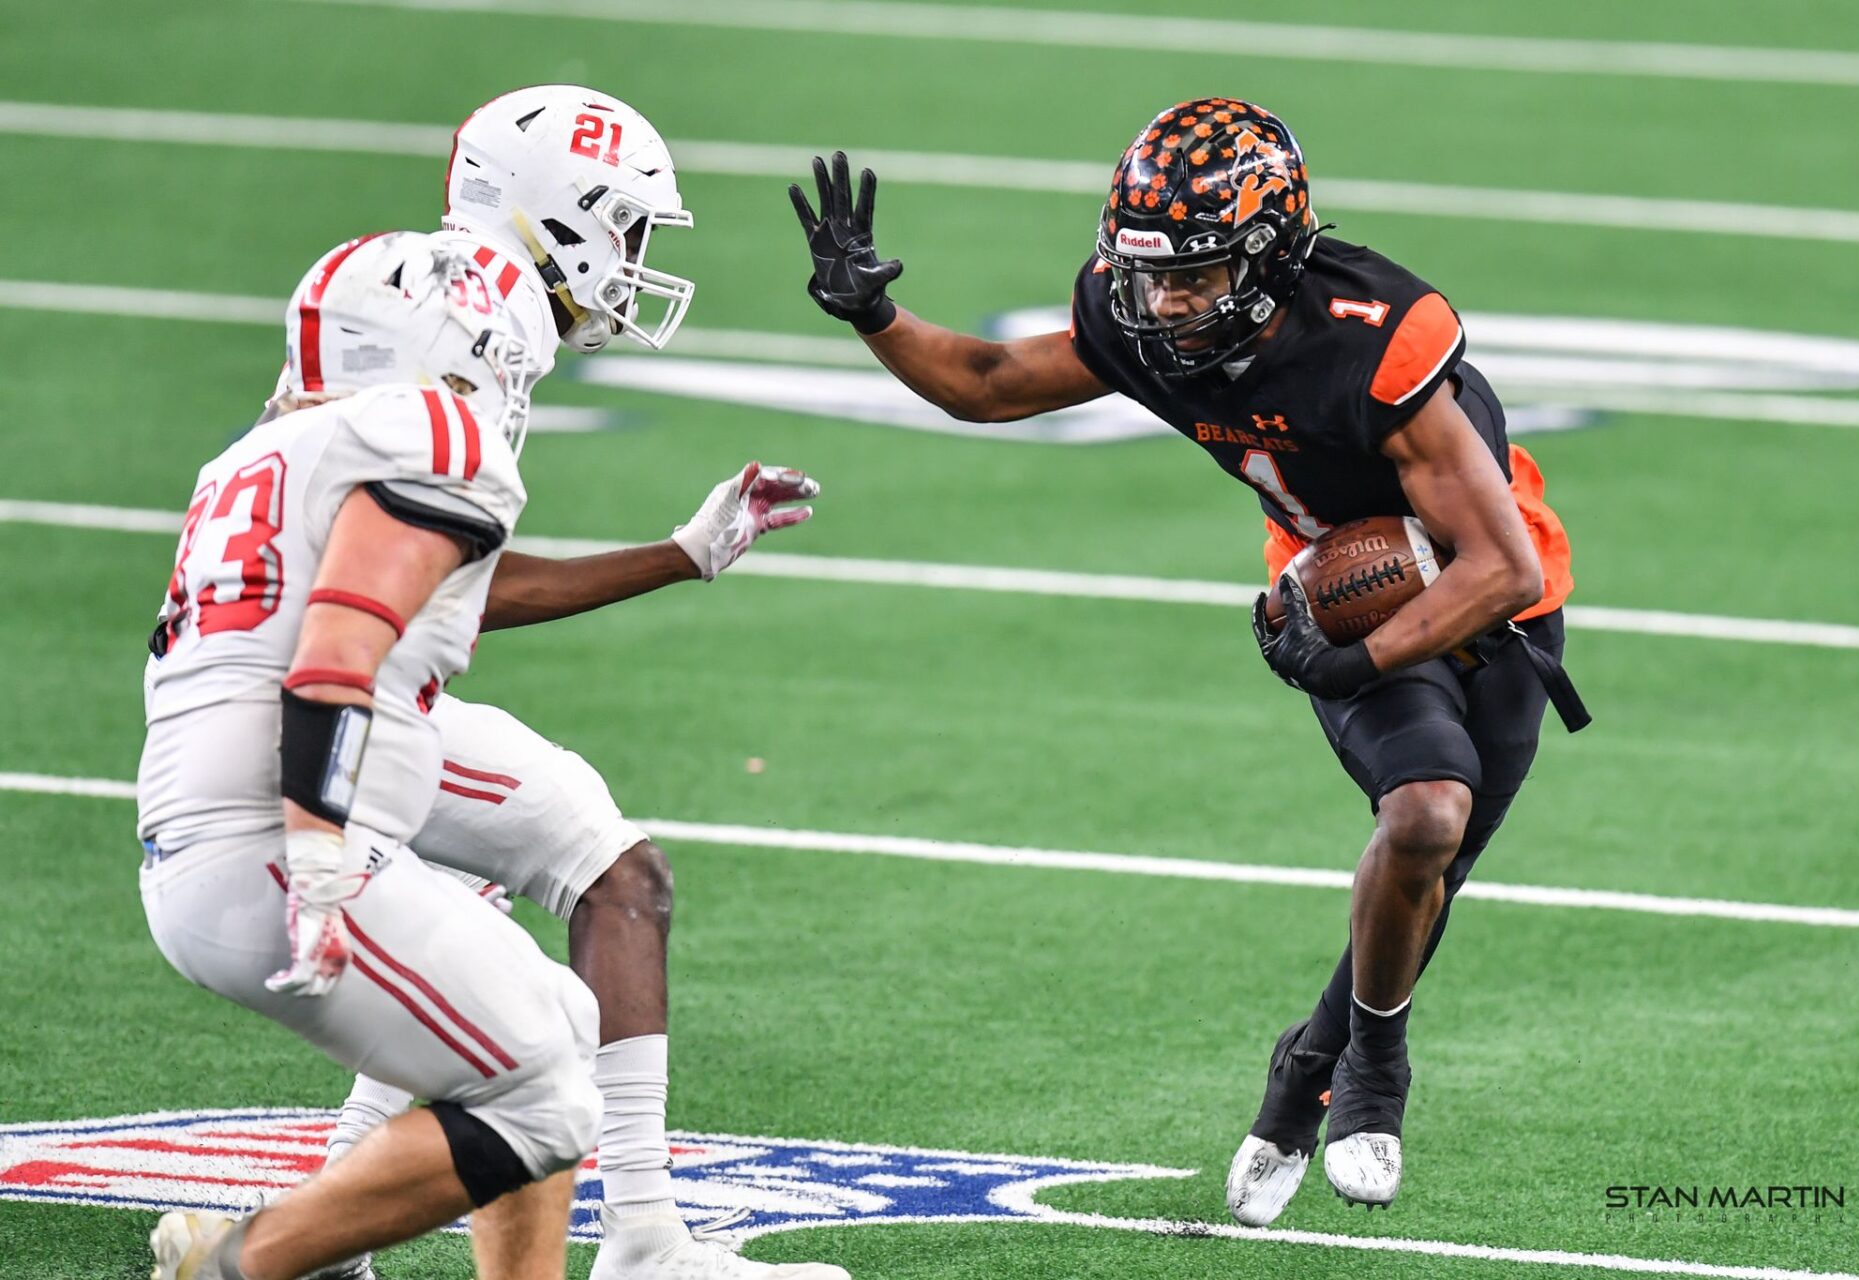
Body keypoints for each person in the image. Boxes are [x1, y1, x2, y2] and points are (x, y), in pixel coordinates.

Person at [787, 99, 1585, 1216]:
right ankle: (1377, 1073)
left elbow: (1494, 565)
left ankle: (1306, 1064)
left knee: (1435, 870)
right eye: (1151, 273)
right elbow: (987, 382)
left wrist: (1357, 667)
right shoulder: (1143, 315)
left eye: (1197, 275)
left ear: (1269, 255)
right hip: (1337, 585)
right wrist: (874, 313)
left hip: (1494, 589)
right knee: (1424, 817)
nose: (1164, 300)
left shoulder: (1373, 333)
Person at [274, 86, 842, 1280]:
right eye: (627, 228)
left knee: (611, 868)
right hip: (333, 700)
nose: (634, 263)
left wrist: (680, 554)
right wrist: (673, 561)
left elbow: (444, 575)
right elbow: (430, 584)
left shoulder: (464, 303)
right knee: (504, 973)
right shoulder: (468, 322)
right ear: (562, 213)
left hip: (368, 683)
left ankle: (639, 1237)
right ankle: (304, 1241)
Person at [140, 233, 604, 1280]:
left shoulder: (257, 456)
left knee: (560, 1026)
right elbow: (333, 656)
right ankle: (244, 1268)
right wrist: (315, 864)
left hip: (203, 834)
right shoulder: (430, 429)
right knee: (543, 1093)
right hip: (277, 840)